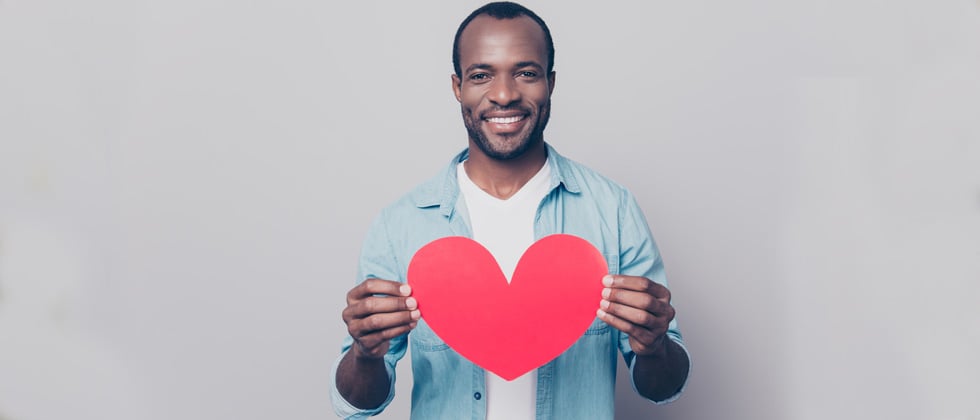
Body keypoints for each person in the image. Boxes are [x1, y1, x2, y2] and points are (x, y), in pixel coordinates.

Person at [330, 2, 691, 419]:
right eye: (481, 75)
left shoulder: (612, 210)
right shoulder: (401, 224)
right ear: (457, 87)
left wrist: (655, 345)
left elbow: (664, 385)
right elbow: (359, 403)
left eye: (526, 73)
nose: (503, 95)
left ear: (551, 83)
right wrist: (365, 354)